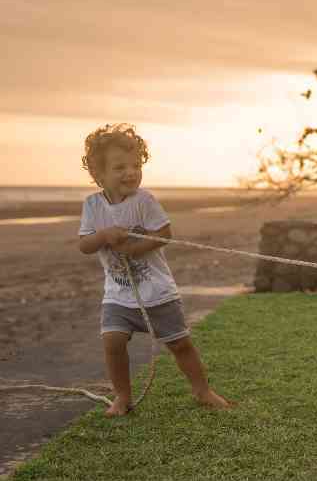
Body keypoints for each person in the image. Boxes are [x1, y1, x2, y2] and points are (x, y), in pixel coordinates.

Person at [78, 123, 231, 416]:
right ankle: (122, 397)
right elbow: (85, 245)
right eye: (120, 167)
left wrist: (134, 249)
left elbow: (165, 233)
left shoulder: (144, 200)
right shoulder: (93, 205)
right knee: (112, 342)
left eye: (136, 165)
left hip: (157, 292)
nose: (131, 172)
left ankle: (203, 390)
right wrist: (104, 236)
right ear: (99, 175)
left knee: (181, 344)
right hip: (118, 293)